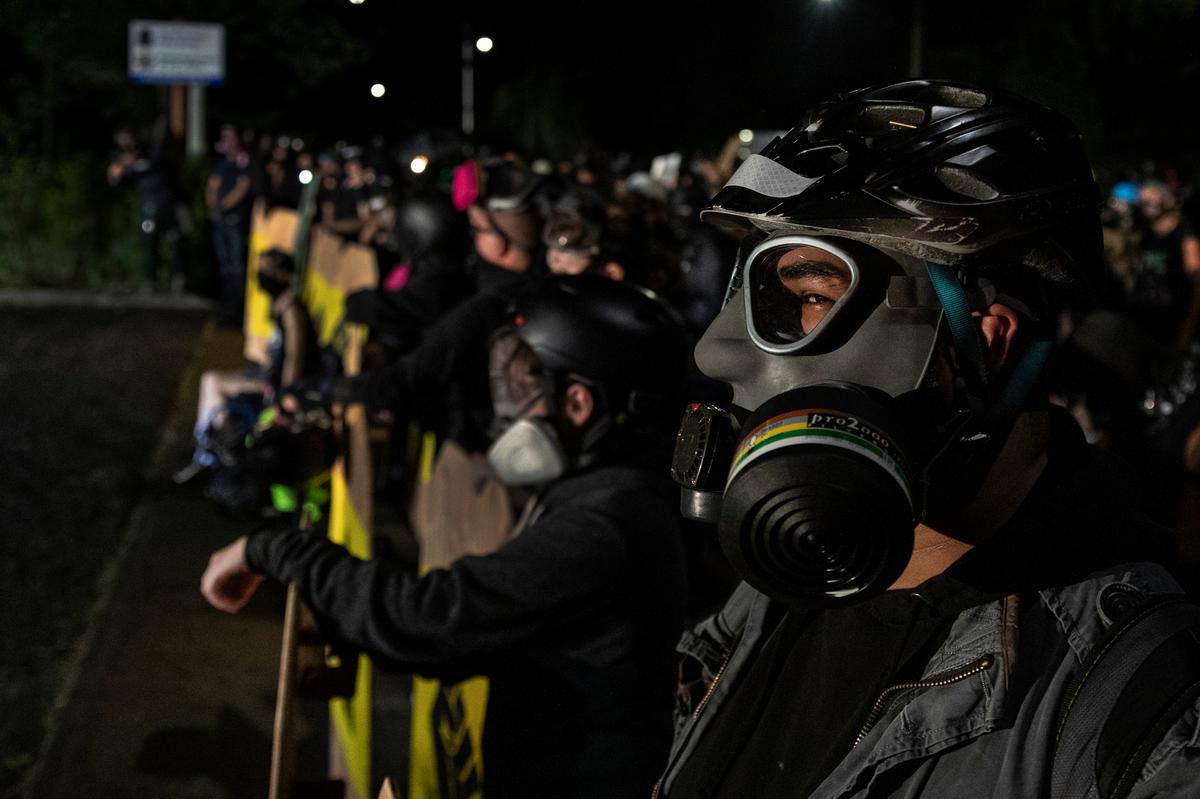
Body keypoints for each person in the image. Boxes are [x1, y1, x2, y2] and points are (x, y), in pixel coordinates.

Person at [656, 80, 1198, 798]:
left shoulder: (1142, 707)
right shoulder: (787, 585)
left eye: (811, 295)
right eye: (752, 295)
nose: (716, 351)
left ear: (987, 341)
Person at [201, 276, 690, 798]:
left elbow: (425, 622)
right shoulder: (616, 494)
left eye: (523, 386)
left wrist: (271, 549)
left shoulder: (606, 523)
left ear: (576, 404)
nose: (507, 410)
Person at [107, 125, 186, 291]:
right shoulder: (124, 158)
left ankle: (179, 277)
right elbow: (120, 181)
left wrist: (128, 166)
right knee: (149, 242)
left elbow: (147, 165)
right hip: (149, 206)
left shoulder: (151, 151)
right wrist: (115, 176)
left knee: (176, 240)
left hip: (166, 203)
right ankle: (151, 280)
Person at [206, 125, 253, 320]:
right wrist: (212, 206)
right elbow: (212, 185)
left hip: (234, 219)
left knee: (236, 263)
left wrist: (224, 206)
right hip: (220, 220)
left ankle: (238, 303)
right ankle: (226, 301)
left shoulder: (243, 161)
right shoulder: (222, 161)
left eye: (230, 137)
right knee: (224, 262)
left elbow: (243, 187)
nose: (227, 141)